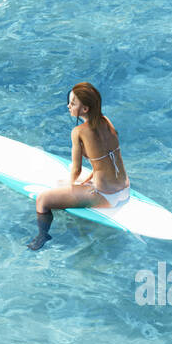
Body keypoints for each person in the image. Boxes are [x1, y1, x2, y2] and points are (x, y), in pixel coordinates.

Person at [28, 82, 131, 250]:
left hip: (106, 195)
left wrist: (72, 187)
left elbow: (76, 170)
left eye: (73, 103)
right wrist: (85, 181)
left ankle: (42, 235)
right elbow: (106, 160)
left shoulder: (78, 132)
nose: (68, 106)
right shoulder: (107, 121)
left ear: (85, 109)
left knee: (43, 199)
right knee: (67, 182)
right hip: (125, 187)